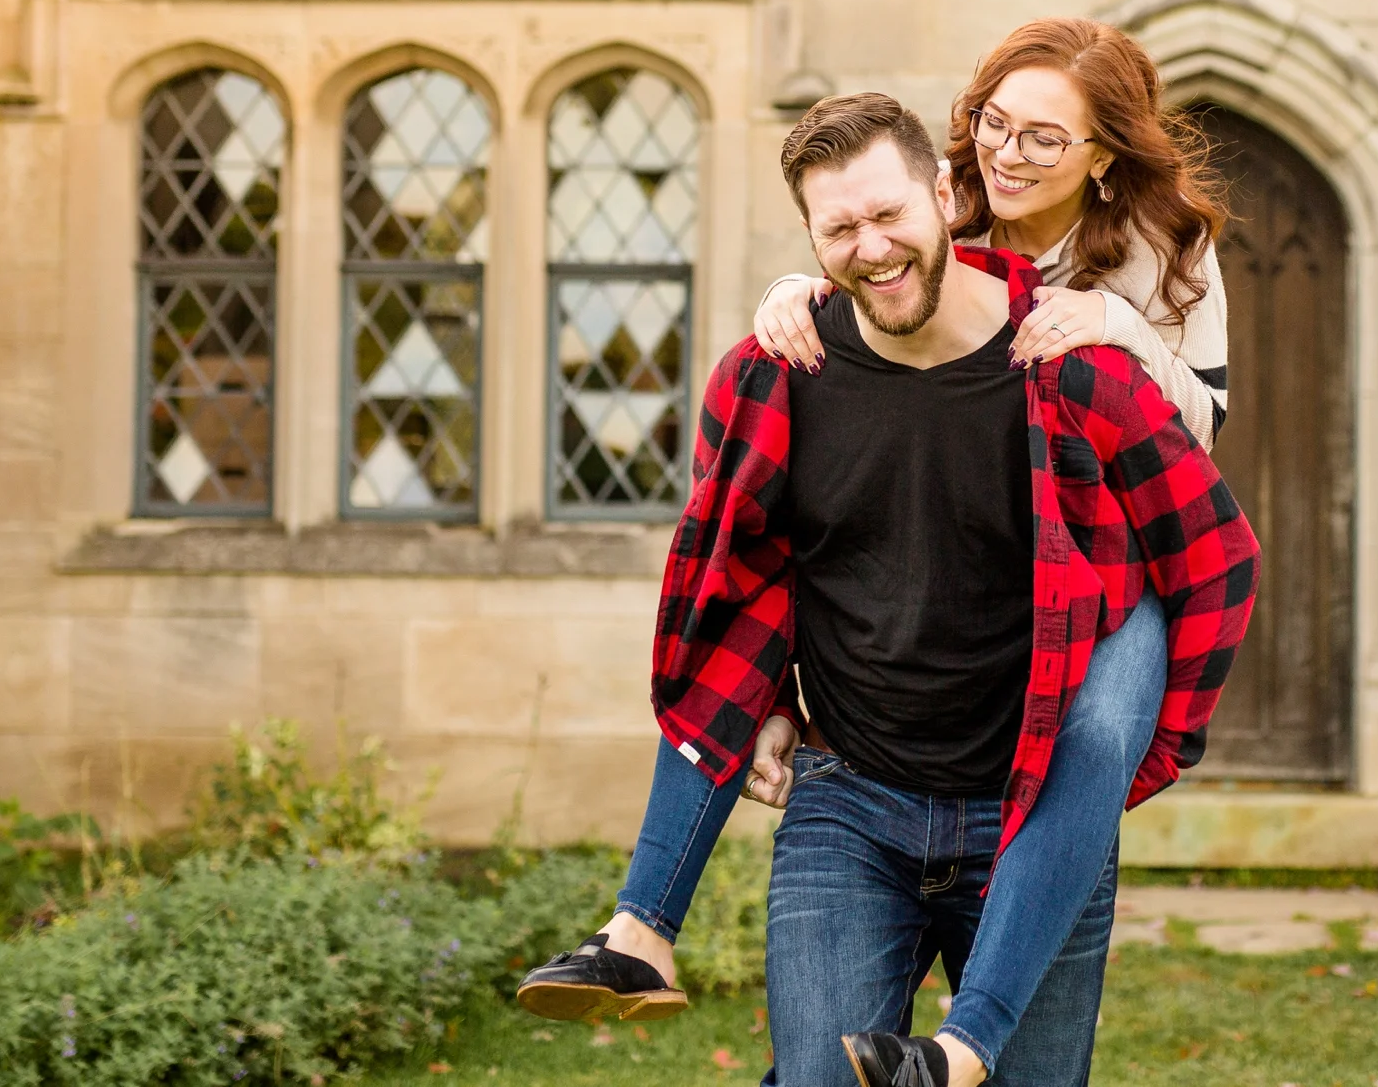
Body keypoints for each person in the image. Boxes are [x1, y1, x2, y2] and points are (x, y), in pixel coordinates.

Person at [518, 92, 1258, 1087]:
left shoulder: (1067, 372)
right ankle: (639, 929)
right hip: (849, 805)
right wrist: (773, 704)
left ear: (946, 198)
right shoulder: (773, 375)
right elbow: (731, 582)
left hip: (1026, 813)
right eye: (839, 227)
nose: (870, 247)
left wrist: (1138, 746)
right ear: (810, 238)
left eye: (887, 214)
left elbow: (1214, 554)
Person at [755, 17, 1229, 452]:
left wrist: (1118, 323)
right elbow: (864, 266)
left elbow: (1201, 430)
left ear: (1103, 155)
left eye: (1043, 140)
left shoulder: (1168, 239)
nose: (1004, 156)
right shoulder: (939, 197)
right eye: (995, 122)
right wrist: (791, 294)